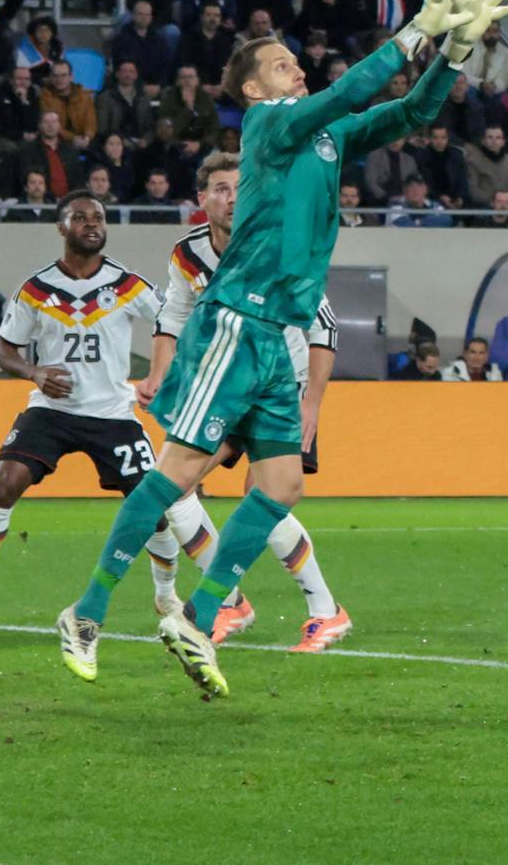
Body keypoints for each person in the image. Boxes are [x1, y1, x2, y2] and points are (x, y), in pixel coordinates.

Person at [54, 0, 508, 697]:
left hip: (279, 335)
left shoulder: (324, 135)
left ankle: (196, 619)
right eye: (278, 63)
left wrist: (452, 52)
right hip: (238, 319)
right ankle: (86, 609)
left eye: (293, 57)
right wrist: (414, 30)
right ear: (256, 91)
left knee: (284, 482)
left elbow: (408, 112)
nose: (295, 63)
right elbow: (347, 91)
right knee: (179, 472)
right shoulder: (270, 126)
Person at [135, 152, 350, 652]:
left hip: (281, 382)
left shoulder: (278, 246)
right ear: (201, 199)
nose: (233, 198)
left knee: (265, 496)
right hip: (225, 384)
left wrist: (311, 404)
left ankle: (325, 612)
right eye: (221, 188)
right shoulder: (186, 255)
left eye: (241, 188)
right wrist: (159, 375)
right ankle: (229, 601)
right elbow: (172, 318)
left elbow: (325, 326)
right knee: (172, 490)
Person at [0, 192, 171, 632]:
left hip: (114, 414)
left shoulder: (128, 285)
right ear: (62, 228)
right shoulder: (36, 289)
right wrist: (35, 373)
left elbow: (171, 323)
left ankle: (167, 597)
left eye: (98, 217)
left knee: (155, 507)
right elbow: (4, 349)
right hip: (51, 411)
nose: (91, 224)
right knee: (4, 484)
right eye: (80, 217)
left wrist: (158, 374)